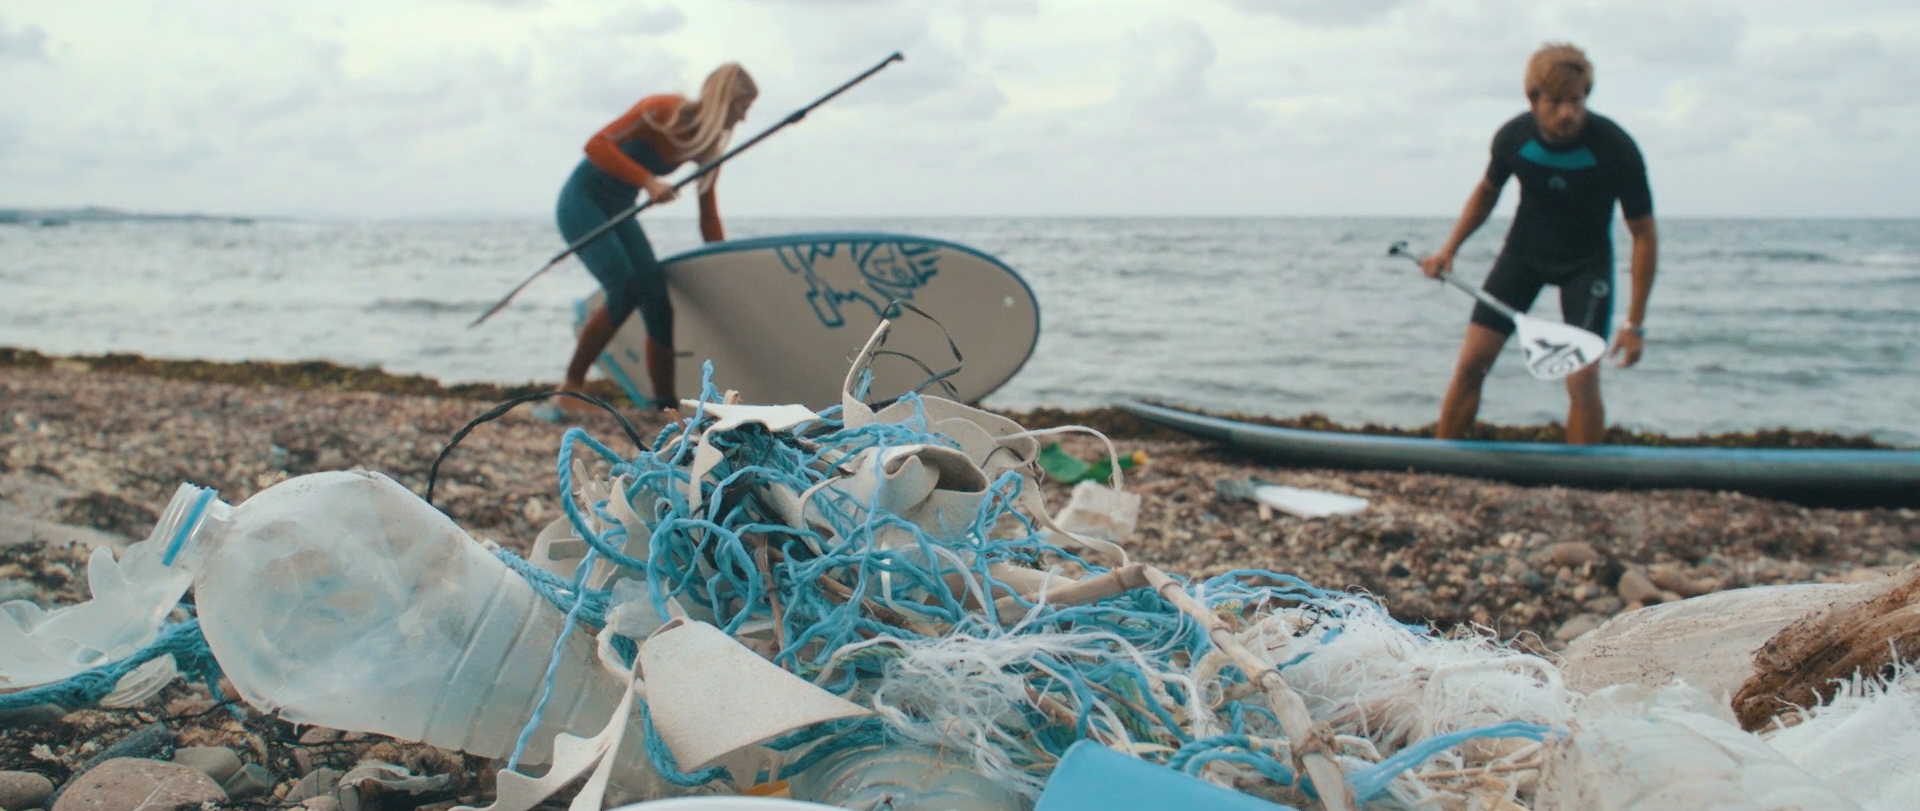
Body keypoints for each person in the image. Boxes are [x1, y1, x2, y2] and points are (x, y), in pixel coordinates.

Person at [1420, 43, 1657, 445]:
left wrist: (1635, 324)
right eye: (1557, 101)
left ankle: (1583, 486)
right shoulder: (1513, 138)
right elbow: (1486, 193)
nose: (1569, 113)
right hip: (1523, 257)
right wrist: (1449, 249)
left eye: (1577, 101)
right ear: (1533, 98)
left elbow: (1644, 235)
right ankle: (1441, 462)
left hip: (1586, 264)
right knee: (1472, 364)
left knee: (1581, 381)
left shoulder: (1615, 148)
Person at [541, 63, 757, 418]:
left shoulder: (707, 147)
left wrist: (722, 262)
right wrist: (649, 182)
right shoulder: (661, 110)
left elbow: (708, 214)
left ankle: (664, 407)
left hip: (619, 210)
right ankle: (569, 390)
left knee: (656, 296)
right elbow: (595, 146)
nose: (744, 118)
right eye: (742, 108)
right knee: (624, 287)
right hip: (582, 202)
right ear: (725, 100)